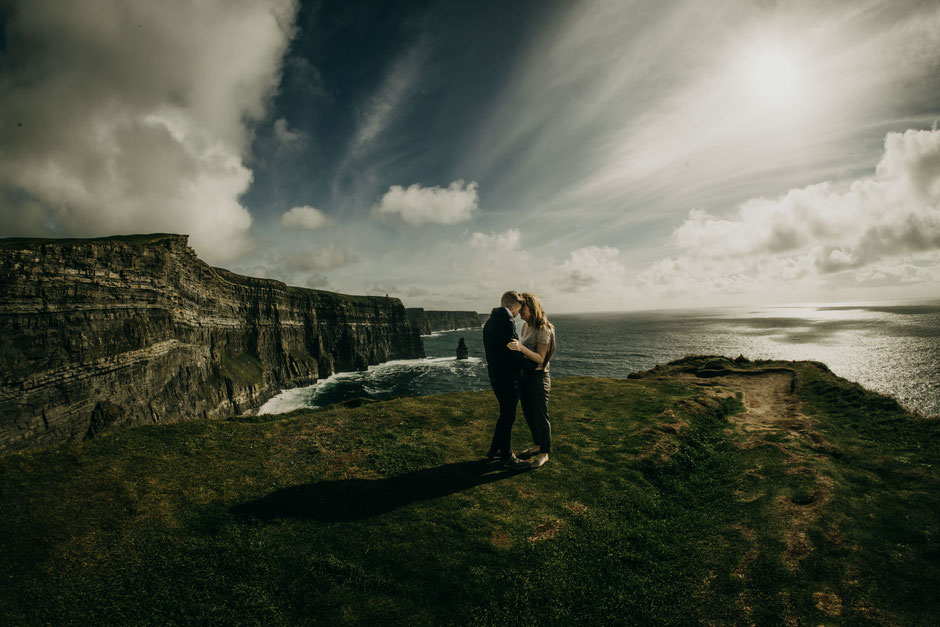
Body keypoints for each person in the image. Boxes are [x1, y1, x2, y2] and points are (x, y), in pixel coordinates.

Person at [507, 292, 555, 469]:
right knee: (528, 412)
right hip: (525, 375)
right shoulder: (526, 326)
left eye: (522, 309)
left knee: (540, 415)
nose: (519, 313)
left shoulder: (544, 328)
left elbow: (540, 358)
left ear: (532, 307)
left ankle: (545, 453)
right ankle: (538, 444)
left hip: (538, 377)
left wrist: (520, 348)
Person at [483, 290, 529, 469]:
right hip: (507, 376)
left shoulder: (489, 321)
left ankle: (494, 449)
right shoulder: (507, 322)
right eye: (518, 310)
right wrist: (527, 363)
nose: (518, 315)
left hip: (494, 373)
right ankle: (506, 456)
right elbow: (513, 350)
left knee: (505, 413)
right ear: (512, 307)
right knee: (508, 416)